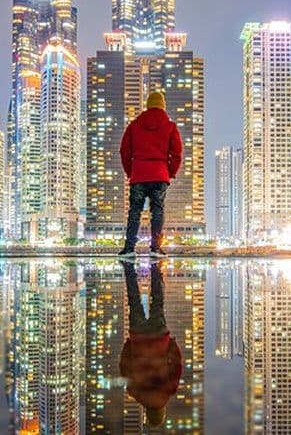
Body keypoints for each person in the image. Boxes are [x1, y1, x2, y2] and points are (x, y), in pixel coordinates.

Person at [118, 91, 183, 258]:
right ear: (163, 106)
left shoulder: (134, 125)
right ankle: (155, 248)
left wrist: (130, 171)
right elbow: (177, 154)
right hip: (160, 175)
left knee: (135, 211)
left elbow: (124, 151)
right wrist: (170, 173)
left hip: (138, 175)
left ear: (147, 105)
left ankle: (129, 248)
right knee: (158, 211)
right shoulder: (170, 126)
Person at [119, 261, 183, 429]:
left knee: (158, 301)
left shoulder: (169, 390)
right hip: (138, 337)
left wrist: (171, 344)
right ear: (147, 412)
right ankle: (129, 270)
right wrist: (129, 344)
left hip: (159, 336)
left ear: (162, 411)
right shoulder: (135, 392)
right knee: (134, 300)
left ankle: (156, 269)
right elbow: (124, 366)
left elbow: (177, 365)